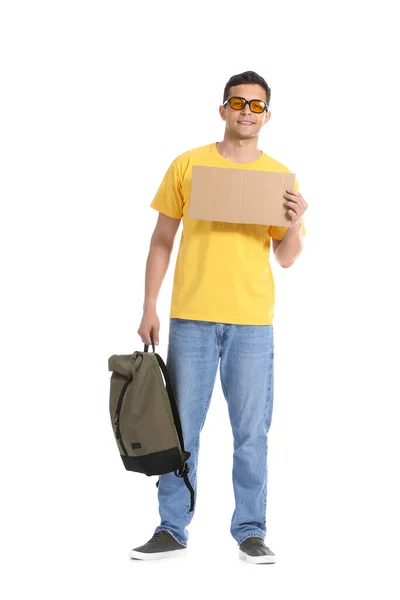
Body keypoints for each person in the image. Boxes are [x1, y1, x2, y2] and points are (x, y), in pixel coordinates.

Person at [130, 70, 308, 564]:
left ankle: (251, 531)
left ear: (266, 116)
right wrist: (149, 304)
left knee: (252, 431)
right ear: (223, 109)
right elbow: (162, 238)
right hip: (191, 319)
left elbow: (287, 256)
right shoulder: (188, 165)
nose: (246, 112)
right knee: (182, 430)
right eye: (238, 102)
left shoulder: (279, 178)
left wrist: (295, 221)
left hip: (251, 323)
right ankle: (172, 528)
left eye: (256, 106)